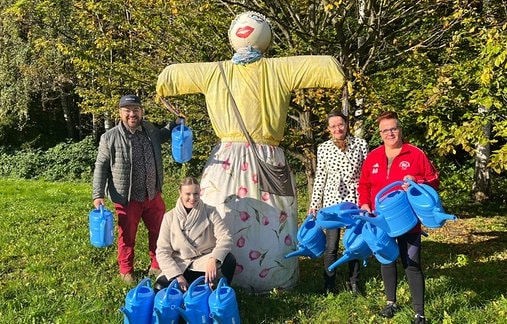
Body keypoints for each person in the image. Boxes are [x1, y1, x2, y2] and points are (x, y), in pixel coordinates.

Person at [156, 11, 346, 293]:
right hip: (265, 159)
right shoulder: (278, 69)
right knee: (257, 219)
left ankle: (219, 275)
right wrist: (341, 78)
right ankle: (266, 276)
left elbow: (171, 75)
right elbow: (328, 67)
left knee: (224, 211)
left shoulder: (215, 71)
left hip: (228, 161)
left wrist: (164, 86)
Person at [358, 111, 439, 324]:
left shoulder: (415, 154)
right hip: (381, 220)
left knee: (412, 263)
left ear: (400, 129)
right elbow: (364, 184)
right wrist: (365, 204)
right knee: (387, 259)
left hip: (407, 221)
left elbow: (434, 180)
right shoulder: (373, 156)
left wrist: (417, 181)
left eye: (393, 128)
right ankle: (390, 303)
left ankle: (419, 314)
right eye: (385, 130)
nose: (390, 133)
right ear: (380, 133)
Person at [92, 94, 179, 284]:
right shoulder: (110, 137)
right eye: (127, 110)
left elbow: (163, 135)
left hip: (152, 193)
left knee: (159, 231)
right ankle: (126, 270)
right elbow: (101, 166)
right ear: (120, 113)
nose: (132, 114)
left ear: (141, 111)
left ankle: (157, 265)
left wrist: (175, 124)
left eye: (136, 110)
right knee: (127, 236)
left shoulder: (148, 129)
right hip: (127, 197)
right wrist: (98, 195)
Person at [308, 110, 368, 295]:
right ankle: (329, 284)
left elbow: (367, 176)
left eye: (340, 124)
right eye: (333, 126)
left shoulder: (360, 144)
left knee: (354, 243)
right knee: (331, 245)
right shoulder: (324, 148)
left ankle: (354, 282)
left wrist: (368, 202)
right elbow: (320, 177)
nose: (337, 128)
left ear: (347, 124)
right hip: (332, 202)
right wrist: (314, 204)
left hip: (354, 201)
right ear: (328, 129)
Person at [154, 177, 236, 292]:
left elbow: (225, 238)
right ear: (180, 193)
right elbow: (162, 251)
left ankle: (219, 294)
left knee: (229, 260)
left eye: (196, 194)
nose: (192, 198)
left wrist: (214, 258)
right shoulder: (169, 217)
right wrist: (176, 275)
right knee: (160, 287)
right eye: (188, 194)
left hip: (204, 263)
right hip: (181, 265)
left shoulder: (210, 212)